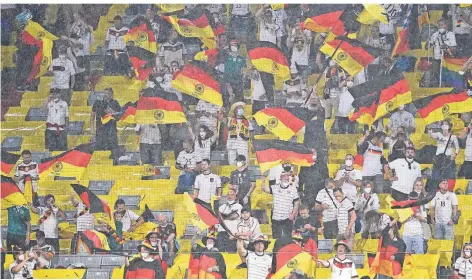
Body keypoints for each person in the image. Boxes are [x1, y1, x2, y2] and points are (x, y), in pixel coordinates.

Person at [261, 173, 300, 239]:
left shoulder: (293, 189)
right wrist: (263, 179)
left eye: (287, 179)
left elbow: (297, 203)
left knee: (287, 238)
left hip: (288, 218)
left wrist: (293, 214)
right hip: (275, 218)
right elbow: (264, 188)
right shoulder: (274, 187)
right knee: (276, 238)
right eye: (284, 179)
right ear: (280, 179)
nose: (286, 180)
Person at [90, 87, 121, 164]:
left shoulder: (115, 103)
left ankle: (114, 165)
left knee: (113, 150)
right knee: (100, 149)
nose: (105, 95)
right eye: (104, 93)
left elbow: (119, 117)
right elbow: (92, 116)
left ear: (112, 95)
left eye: (107, 93)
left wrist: (112, 112)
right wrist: (92, 129)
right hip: (100, 131)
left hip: (111, 131)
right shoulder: (97, 103)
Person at [427, 18, 457, 86]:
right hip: (437, 59)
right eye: (439, 25)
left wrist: (446, 46)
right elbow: (427, 47)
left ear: (446, 25)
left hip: (446, 59)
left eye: (442, 25)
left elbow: (454, 48)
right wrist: (428, 42)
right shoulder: (435, 35)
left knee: (446, 77)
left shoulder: (451, 34)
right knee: (436, 76)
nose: (440, 27)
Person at [217, 188, 242, 252]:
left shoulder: (239, 206)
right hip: (221, 232)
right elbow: (217, 218)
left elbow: (235, 216)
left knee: (231, 252)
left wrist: (222, 218)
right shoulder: (221, 207)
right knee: (221, 252)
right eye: (228, 194)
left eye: (232, 194)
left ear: (235, 196)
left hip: (232, 232)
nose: (230, 196)